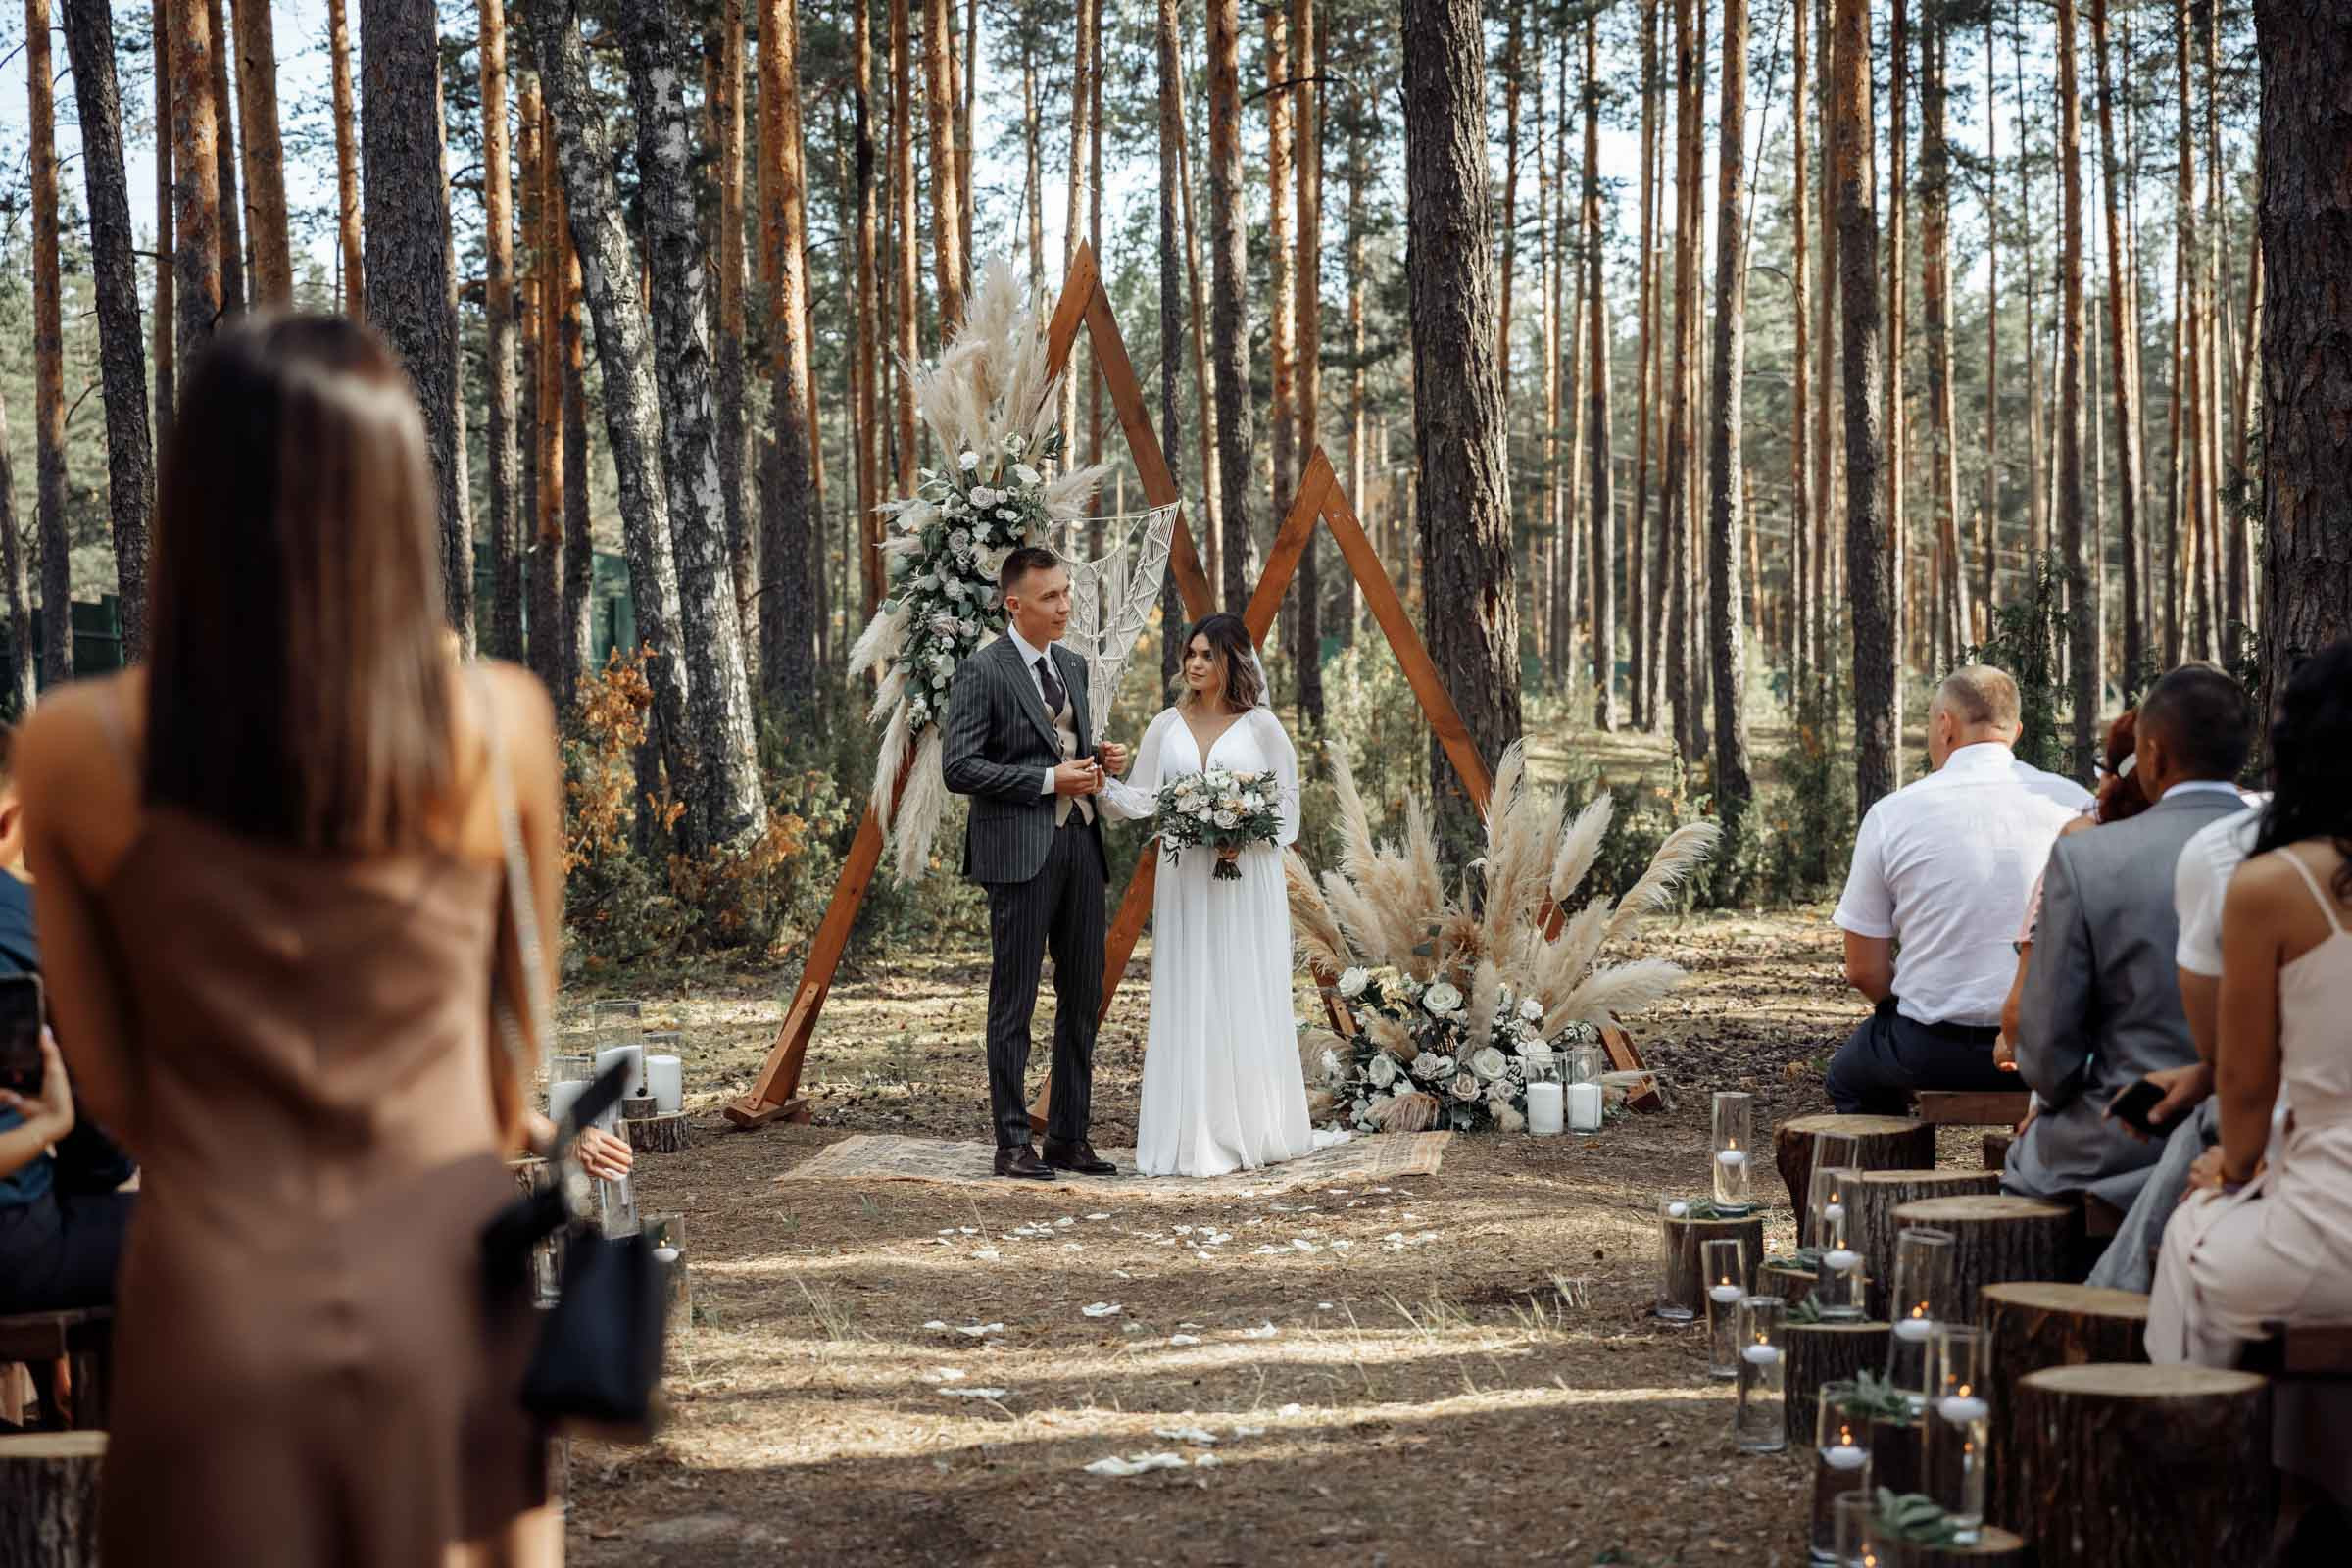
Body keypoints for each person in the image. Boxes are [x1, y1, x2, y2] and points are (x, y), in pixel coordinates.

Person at [15, 316, 565, 1564]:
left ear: (191, 503)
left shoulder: (72, 747)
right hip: (446, 1285)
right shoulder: (503, 725)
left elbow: (109, 1082)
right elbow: (507, 1052)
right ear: (398, 501)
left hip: (217, 1295)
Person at [2150, 639, 2352, 1366]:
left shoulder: (2274, 884)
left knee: (2190, 1239)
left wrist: (2231, 1174)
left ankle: (2224, 1468)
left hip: (2331, 1226)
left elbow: (2243, 1081)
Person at [2002, 666, 2255, 1207]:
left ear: (2154, 756)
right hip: (2269, 1125)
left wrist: (2052, 1105)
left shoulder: (2090, 855)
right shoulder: (2300, 845)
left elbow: (2047, 1052)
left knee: (2026, 1158)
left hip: (2129, 1135)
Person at [1099, 615, 1323, 1177]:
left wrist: (1239, 828)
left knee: (1241, 986)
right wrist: (1101, 779)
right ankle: (1189, 1133)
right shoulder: (1165, 726)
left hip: (1245, 880)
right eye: (1190, 653)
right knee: (1191, 986)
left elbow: (1288, 818)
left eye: (1207, 655)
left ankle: (1252, 1126)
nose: (1194, 664)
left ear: (1233, 662)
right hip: (1185, 881)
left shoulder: (1263, 728)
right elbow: (1143, 799)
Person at [1826, 665, 2091, 1114]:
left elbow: (1863, 970)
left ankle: (1890, 1182)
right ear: (2016, 731)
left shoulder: (1894, 813)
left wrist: (1917, 1003)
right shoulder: (2076, 804)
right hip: (2051, 1048)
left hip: (1931, 1051)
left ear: (1945, 725)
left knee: (1849, 1079)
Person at [941, 546, 1129, 1181]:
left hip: (1080, 845)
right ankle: (1012, 1142)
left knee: (1082, 997)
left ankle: (1069, 1138)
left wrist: (1101, 758)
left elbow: (1068, 742)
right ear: (1014, 604)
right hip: (1019, 855)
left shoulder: (1073, 664)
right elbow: (959, 768)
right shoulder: (983, 671)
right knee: (1013, 1003)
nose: (1065, 606)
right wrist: (1050, 780)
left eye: (1067, 593)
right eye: (1050, 597)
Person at [0, 726, 136, 1318]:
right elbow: (99, 1140)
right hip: (14, 1249)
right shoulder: (35, 919)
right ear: (10, 820)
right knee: (205, 1236)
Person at [1995, 709, 2148, 1065]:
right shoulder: (2249, 832)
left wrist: (2014, 1044)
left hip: (2103, 1080)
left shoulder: (2080, 845)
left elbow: (2021, 1011)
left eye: (2104, 768)